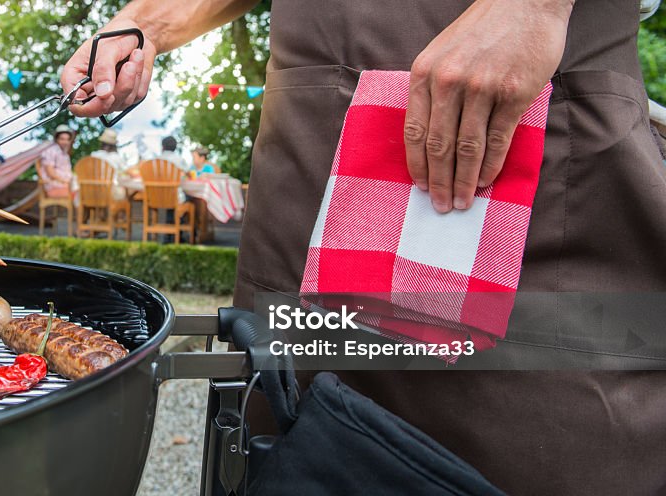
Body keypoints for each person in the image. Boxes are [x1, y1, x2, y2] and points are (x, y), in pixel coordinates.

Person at [61, 1, 666, 494]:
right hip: (310, 136)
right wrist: (144, 22)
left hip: (527, 108)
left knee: (529, 447)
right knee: (292, 440)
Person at [38, 124, 75, 198]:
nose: (65, 142)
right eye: (62, 139)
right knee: (82, 191)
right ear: (56, 139)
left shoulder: (65, 154)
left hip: (66, 184)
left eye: (67, 139)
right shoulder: (51, 151)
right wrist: (65, 181)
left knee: (83, 188)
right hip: (55, 185)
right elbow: (50, 173)